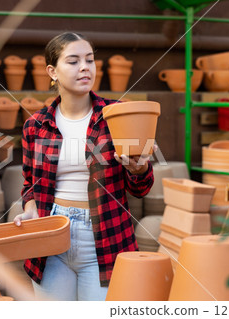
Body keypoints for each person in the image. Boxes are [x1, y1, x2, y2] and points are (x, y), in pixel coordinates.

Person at [13, 32, 154, 301]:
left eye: (90, 60)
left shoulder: (117, 115)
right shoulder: (35, 126)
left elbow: (141, 189)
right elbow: (29, 186)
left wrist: (138, 170)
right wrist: (30, 210)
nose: (85, 67)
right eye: (73, 61)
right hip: (50, 238)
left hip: (105, 238)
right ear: (52, 72)